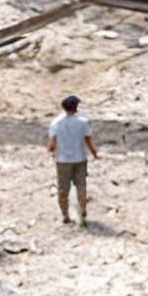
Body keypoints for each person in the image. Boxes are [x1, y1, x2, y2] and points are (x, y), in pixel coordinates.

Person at [49, 94, 99, 225]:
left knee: (63, 189)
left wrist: (52, 151)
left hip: (62, 160)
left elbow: (52, 144)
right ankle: (82, 210)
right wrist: (94, 153)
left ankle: (65, 215)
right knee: (81, 185)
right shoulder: (83, 122)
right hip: (79, 158)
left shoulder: (56, 122)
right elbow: (88, 139)